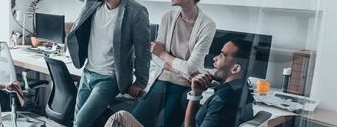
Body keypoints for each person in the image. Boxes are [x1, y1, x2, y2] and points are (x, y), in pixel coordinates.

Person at [42, 0, 151, 127]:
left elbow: (142, 51)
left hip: (109, 79)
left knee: (81, 122)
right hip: (88, 73)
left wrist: (140, 82)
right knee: (79, 121)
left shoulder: (136, 12)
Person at [132, 0, 216, 127]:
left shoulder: (207, 25)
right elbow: (154, 56)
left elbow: (190, 67)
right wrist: (178, 68)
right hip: (162, 80)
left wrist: (163, 54)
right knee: (132, 122)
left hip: (184, 87)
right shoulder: (168, 17)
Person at [105, 39, 255, 127]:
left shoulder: (224, 100)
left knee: (119, 117)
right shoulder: (241, 93)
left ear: (235, 68)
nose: (214, 58)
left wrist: (195, 95)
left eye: (221, 56)